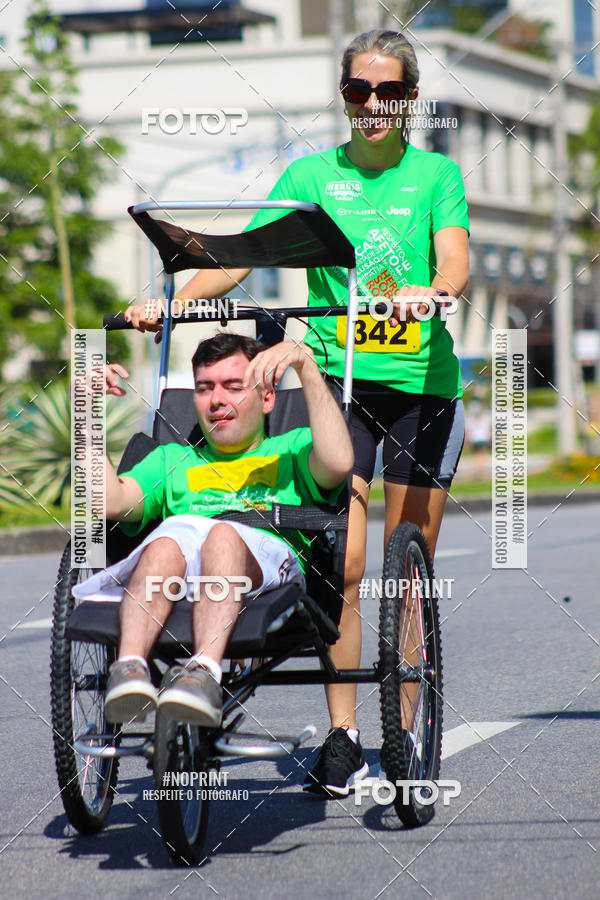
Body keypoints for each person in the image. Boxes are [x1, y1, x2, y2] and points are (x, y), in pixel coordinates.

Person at [125, 29, 469, 796]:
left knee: (406, 571)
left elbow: (454, 260)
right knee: (341, 559)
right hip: (338, 381)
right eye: (358, 91)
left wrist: (430, 291)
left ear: (410, 97)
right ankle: (344, 731)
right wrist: (171, 304)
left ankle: (405, 724)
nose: (373, 106)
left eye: (388, 92)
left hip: (421, 388)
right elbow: (241, 256)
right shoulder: (311, 173)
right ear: (344, 96)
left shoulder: (436, 173)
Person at [72, 332, 354, 727]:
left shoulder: (292, 449)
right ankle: (130, 669)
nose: (217, 399)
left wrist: (305, 365)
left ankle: (203, 674)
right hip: (182, 577)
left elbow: (340, 464)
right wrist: (85, 410)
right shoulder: (171, 459)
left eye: (234, 387)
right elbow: (108, 502)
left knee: (222, 534)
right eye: (205, 388)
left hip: (267, 575)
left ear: (267, 397)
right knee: (166, 543)